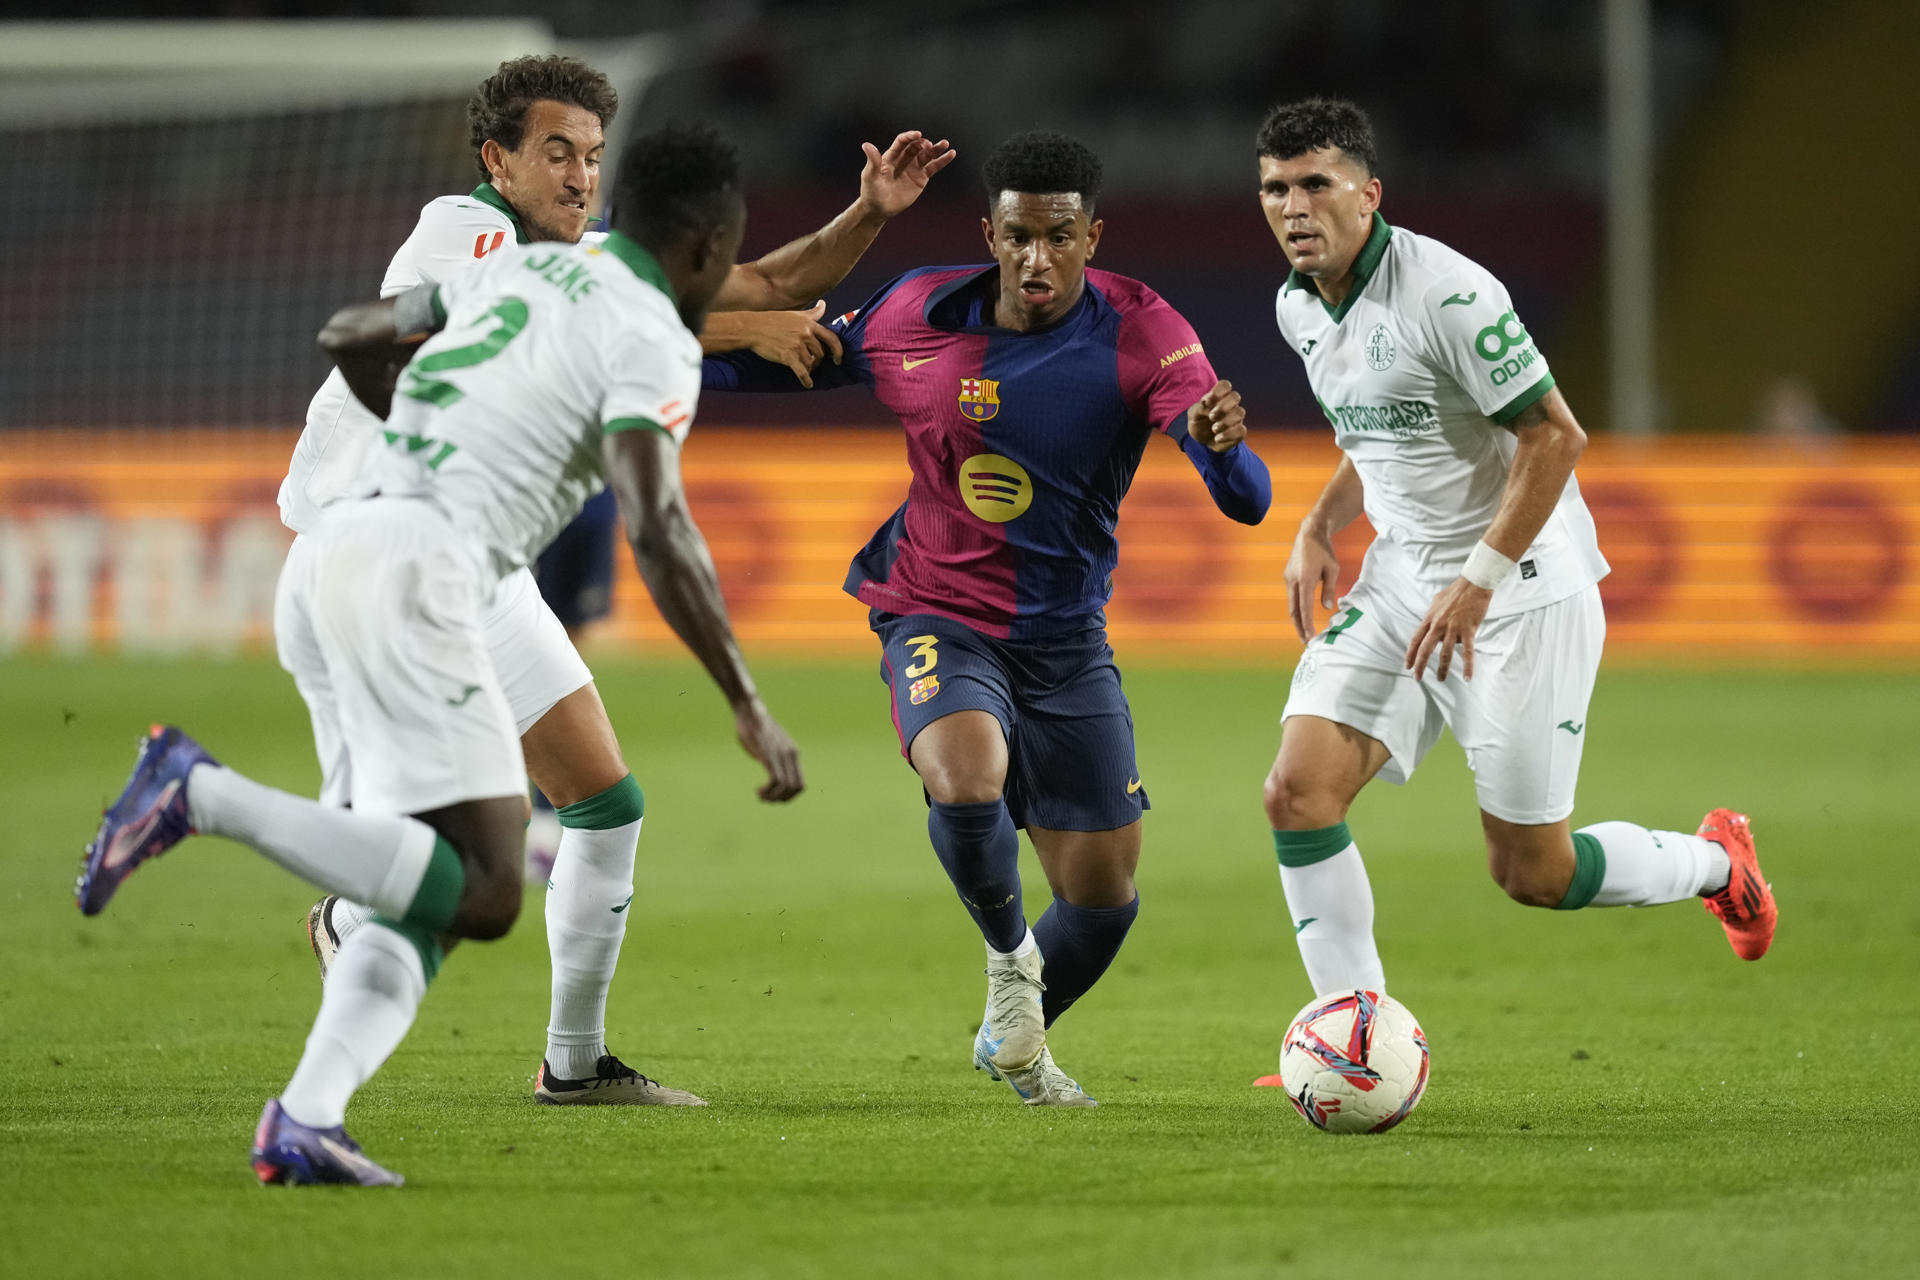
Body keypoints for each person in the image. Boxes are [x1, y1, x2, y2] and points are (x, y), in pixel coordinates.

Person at [78, 122, 796, 1186]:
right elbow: (659, 523)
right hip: (424, 573)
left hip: (351, 547)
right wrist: (743, 694)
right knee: (486, 885)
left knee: (452, 888)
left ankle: (307, 1118)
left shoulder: (533, 271)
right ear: (705, 254)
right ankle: (202, 792)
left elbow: (356, 332)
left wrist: (427, 433)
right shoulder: (649, 334)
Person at [278, 55, 952, 1105]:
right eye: (557, 152)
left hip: (477, 559)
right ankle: (246, 840)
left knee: (602, 800)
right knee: (444, 859)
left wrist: (867, 211)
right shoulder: (462, 231)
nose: (581, 176)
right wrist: (736, 329)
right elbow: (680, 314)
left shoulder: (581, 260)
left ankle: (575, 1060)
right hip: (381, 542)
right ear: (496, 159)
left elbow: (762, 282)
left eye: (594, 155)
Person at [704, 131, 1272, 1107]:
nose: (1036, 257)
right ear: (990, 233)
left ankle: (1012, 1026)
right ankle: (1011, 964)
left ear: (1092, 236)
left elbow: (1248, 498)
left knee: (1100, 898)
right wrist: (670, 351)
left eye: (1059, 236)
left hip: (1063, 636)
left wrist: (1224, 451)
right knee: (966, 776)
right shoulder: (920, 308)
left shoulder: (1144, 330)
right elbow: (775, 363)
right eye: (1018, 235)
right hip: (934, 607)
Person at [1248, 99, 1777, 1061]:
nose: (1295, 207)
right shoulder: (1298, 305)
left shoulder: (1449, 294)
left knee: (1533, 870)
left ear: (1369, 196)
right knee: (1297, 793)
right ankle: (1350, 1038)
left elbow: (1554, 436)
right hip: (1405, 576)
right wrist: (1321, 523)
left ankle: (1716, 861)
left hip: (1522, 589)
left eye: (1316, 185)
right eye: (1277, 188)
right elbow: (1379, 429)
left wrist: (1480, 580)